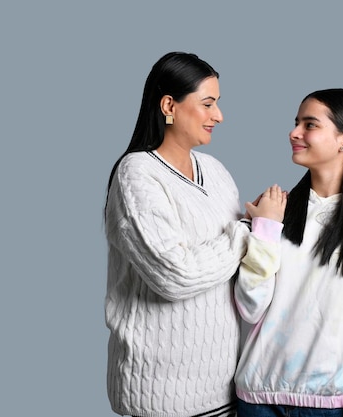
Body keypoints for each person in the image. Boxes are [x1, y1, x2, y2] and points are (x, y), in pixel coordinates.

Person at [234, 88, 343, 417]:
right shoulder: (274, 211)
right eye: (296, 122)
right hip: (255, 401)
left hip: (327, 407)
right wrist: (265, 230)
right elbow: (248, 307)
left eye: (309, 124)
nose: (294, 132)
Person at [103, 52, 254, 417]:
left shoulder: (216, 172)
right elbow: (175, 275)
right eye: (207, 104)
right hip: (162, 400)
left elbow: (238, 268)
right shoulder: (137, 174)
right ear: (169, 105)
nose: (219, 116)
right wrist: (248, 231)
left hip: (226, 392)